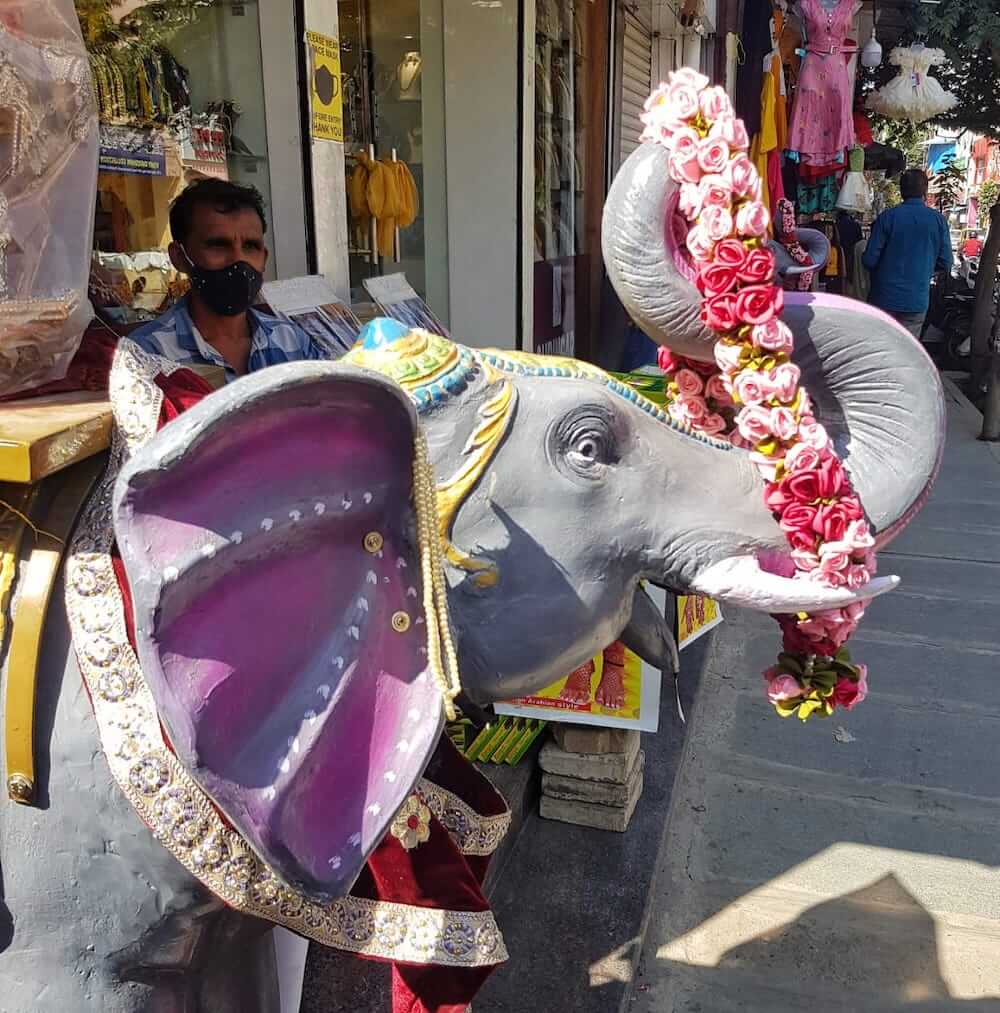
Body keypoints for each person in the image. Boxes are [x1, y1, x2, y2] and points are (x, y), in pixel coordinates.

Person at [130, 179, 328, 379]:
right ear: (179, 257)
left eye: (250, 246)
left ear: (264, 258)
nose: (238, 260)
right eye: (218, 245)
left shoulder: (293, 342)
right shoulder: (148, 355)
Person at [862, 168, 953, 339]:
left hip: (883, 298)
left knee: (880, 349)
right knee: (907, 350)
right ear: (925, 191)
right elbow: (946, 262)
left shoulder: (887, 218)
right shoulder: (938, 221)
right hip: (916, 300)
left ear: (902, 191)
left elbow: (869, 260)